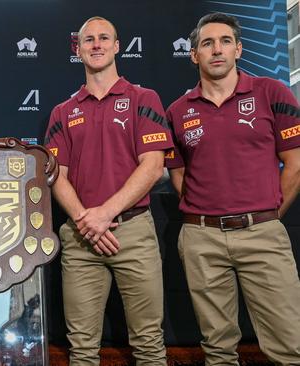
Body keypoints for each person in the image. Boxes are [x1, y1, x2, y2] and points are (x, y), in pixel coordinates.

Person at [166, 12, 300, 365]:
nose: (217, 50)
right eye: (207, 43)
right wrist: (205, 217)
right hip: (202, 239)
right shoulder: (178, 111)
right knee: (217, 350)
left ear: (239, 49)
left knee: (290, 344)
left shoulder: (272, 92)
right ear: (194, 55)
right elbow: (179, 177)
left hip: (263, 235)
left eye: (225, 41)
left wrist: (267, 216)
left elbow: (296, 165)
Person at [44, 16, 171, 366]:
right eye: (89, 40)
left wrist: (104, 214)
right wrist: (89, 221)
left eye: (104, 38)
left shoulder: (144, 98)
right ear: (78, 49)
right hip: (80, 236)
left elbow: (153, 166)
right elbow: (57, 175)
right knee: (82, 349)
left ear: (117, 46)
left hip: (133, 232)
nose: (96, 44)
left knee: (148, 344)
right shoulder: (62, 112)